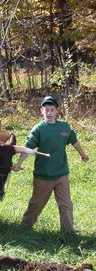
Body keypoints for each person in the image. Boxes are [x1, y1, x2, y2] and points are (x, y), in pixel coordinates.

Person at [12, 96, 89, 233]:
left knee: (66, 204)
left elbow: (74, 140)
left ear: (57, 111)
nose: (49, 113)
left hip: (61, 174)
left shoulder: (64, 127)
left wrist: (82, 154)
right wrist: (18, 163)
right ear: (42, 111)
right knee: (36, 204)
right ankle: (24, 228)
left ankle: (68, 232)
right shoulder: (39, 129)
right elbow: (28, 148)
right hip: (43, 176)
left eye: (52, 110)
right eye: (46, 110)